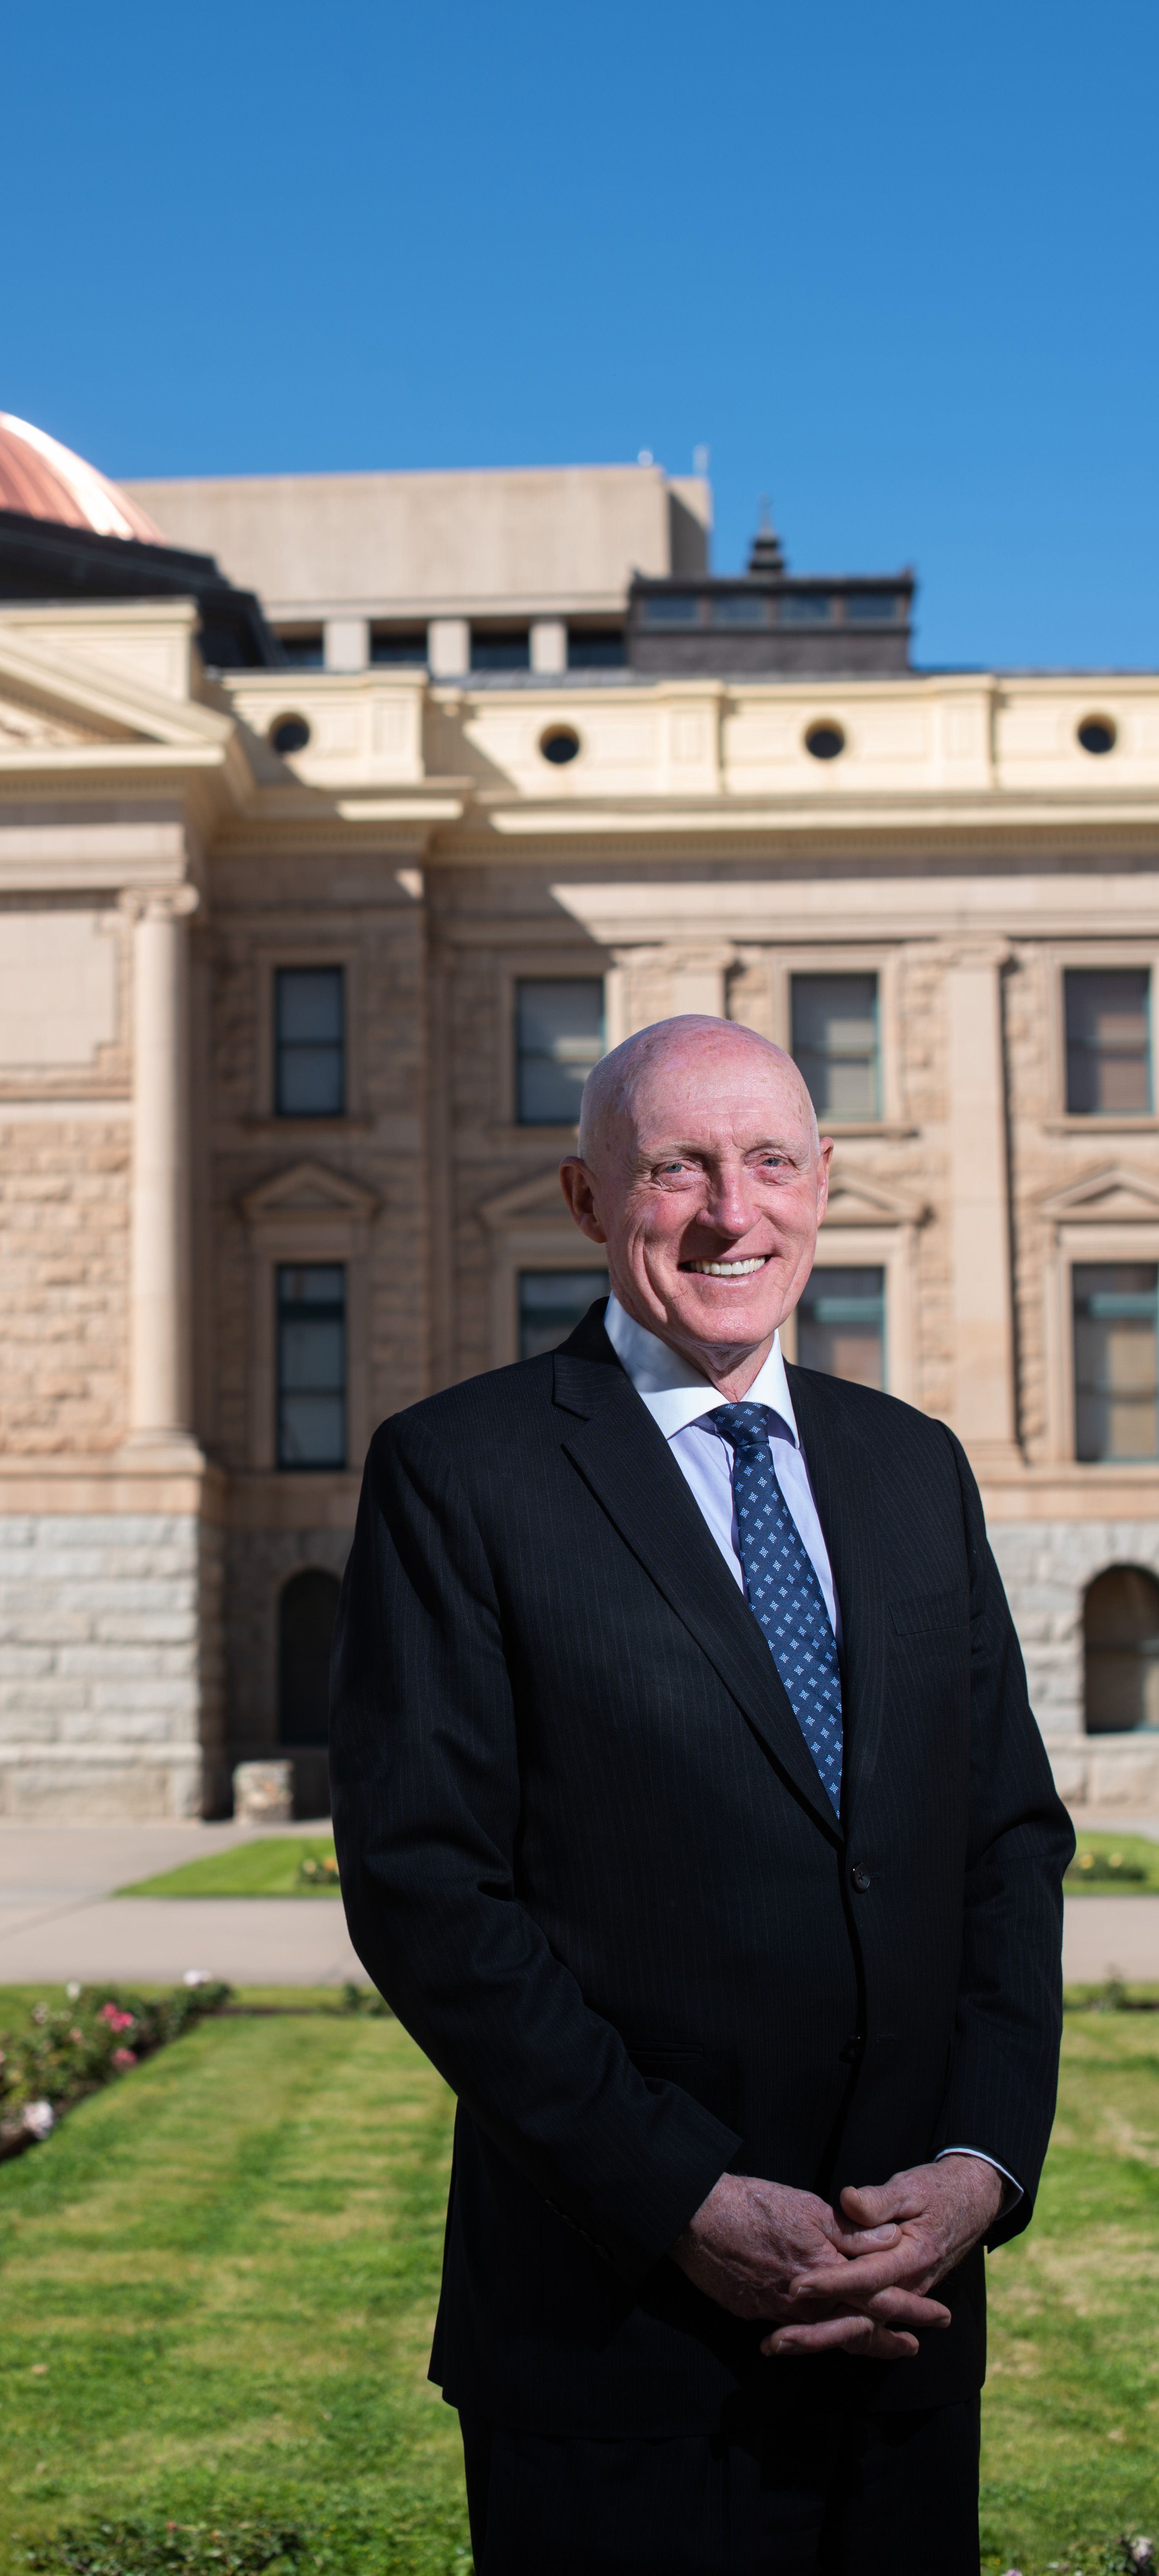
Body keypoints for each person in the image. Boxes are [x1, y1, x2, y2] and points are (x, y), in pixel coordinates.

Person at [330, 1014, 1071, 2574]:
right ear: (589, 1197)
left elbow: (1004, 1843)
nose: (730, 1212)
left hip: (903, 2325)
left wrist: (976, 2168)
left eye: (768, 1163)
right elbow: (424, 1886)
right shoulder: (459, 1473)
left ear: (822, 1183)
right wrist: (679, 2195)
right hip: (615, 2343)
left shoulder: (910, 1466)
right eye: (675, 1168)